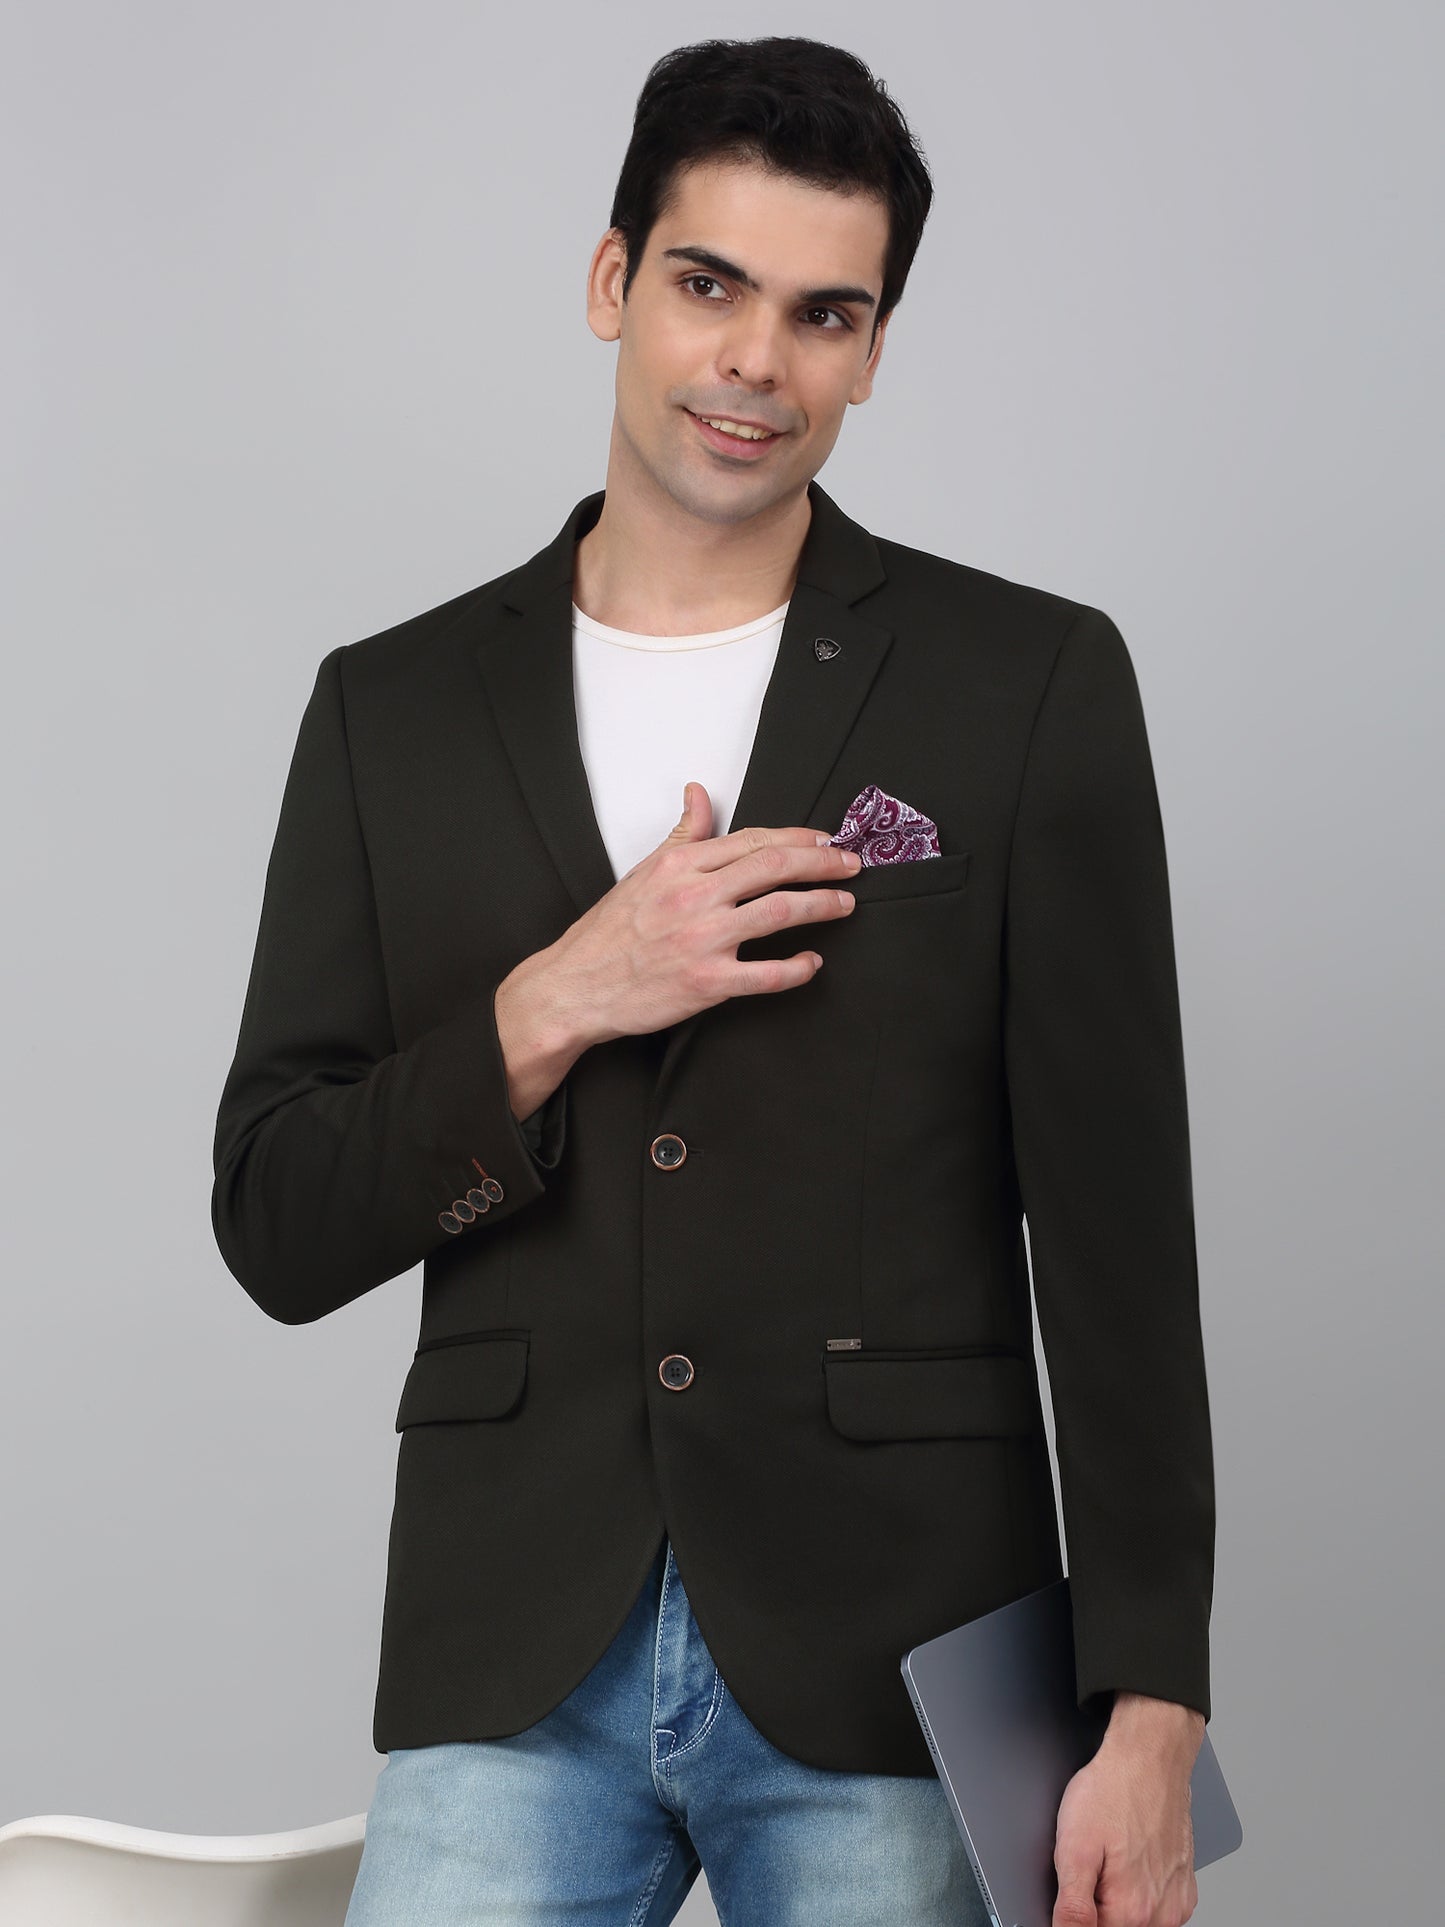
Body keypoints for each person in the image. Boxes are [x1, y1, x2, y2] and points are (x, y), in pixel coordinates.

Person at [212, 34, 1215, 1927]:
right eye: (707, 284)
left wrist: (1150, 1707)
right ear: (612, 282)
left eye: (825, 313)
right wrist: (557, 1000)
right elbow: (274, 1216)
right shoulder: (389, 710)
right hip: (510, 1646)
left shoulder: (1026, 684)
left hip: (900, 1651)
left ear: (872, 347)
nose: (758, 359)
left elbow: (1116, 1240)